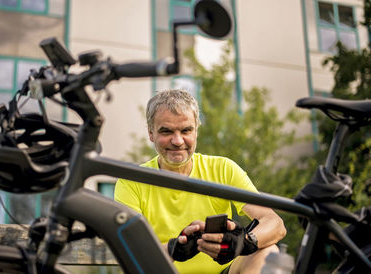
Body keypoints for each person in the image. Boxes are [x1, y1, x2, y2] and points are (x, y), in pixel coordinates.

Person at [114, 89, 286, 273]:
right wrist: (173, 249)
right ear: (150, 133)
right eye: (166, 131)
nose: (178, 141)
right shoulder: (131, 181)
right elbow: (128, 248)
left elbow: (275, 224)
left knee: (268, 252)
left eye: (186, 130)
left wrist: (243, 242)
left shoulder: (223, 169)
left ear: (196, 130)